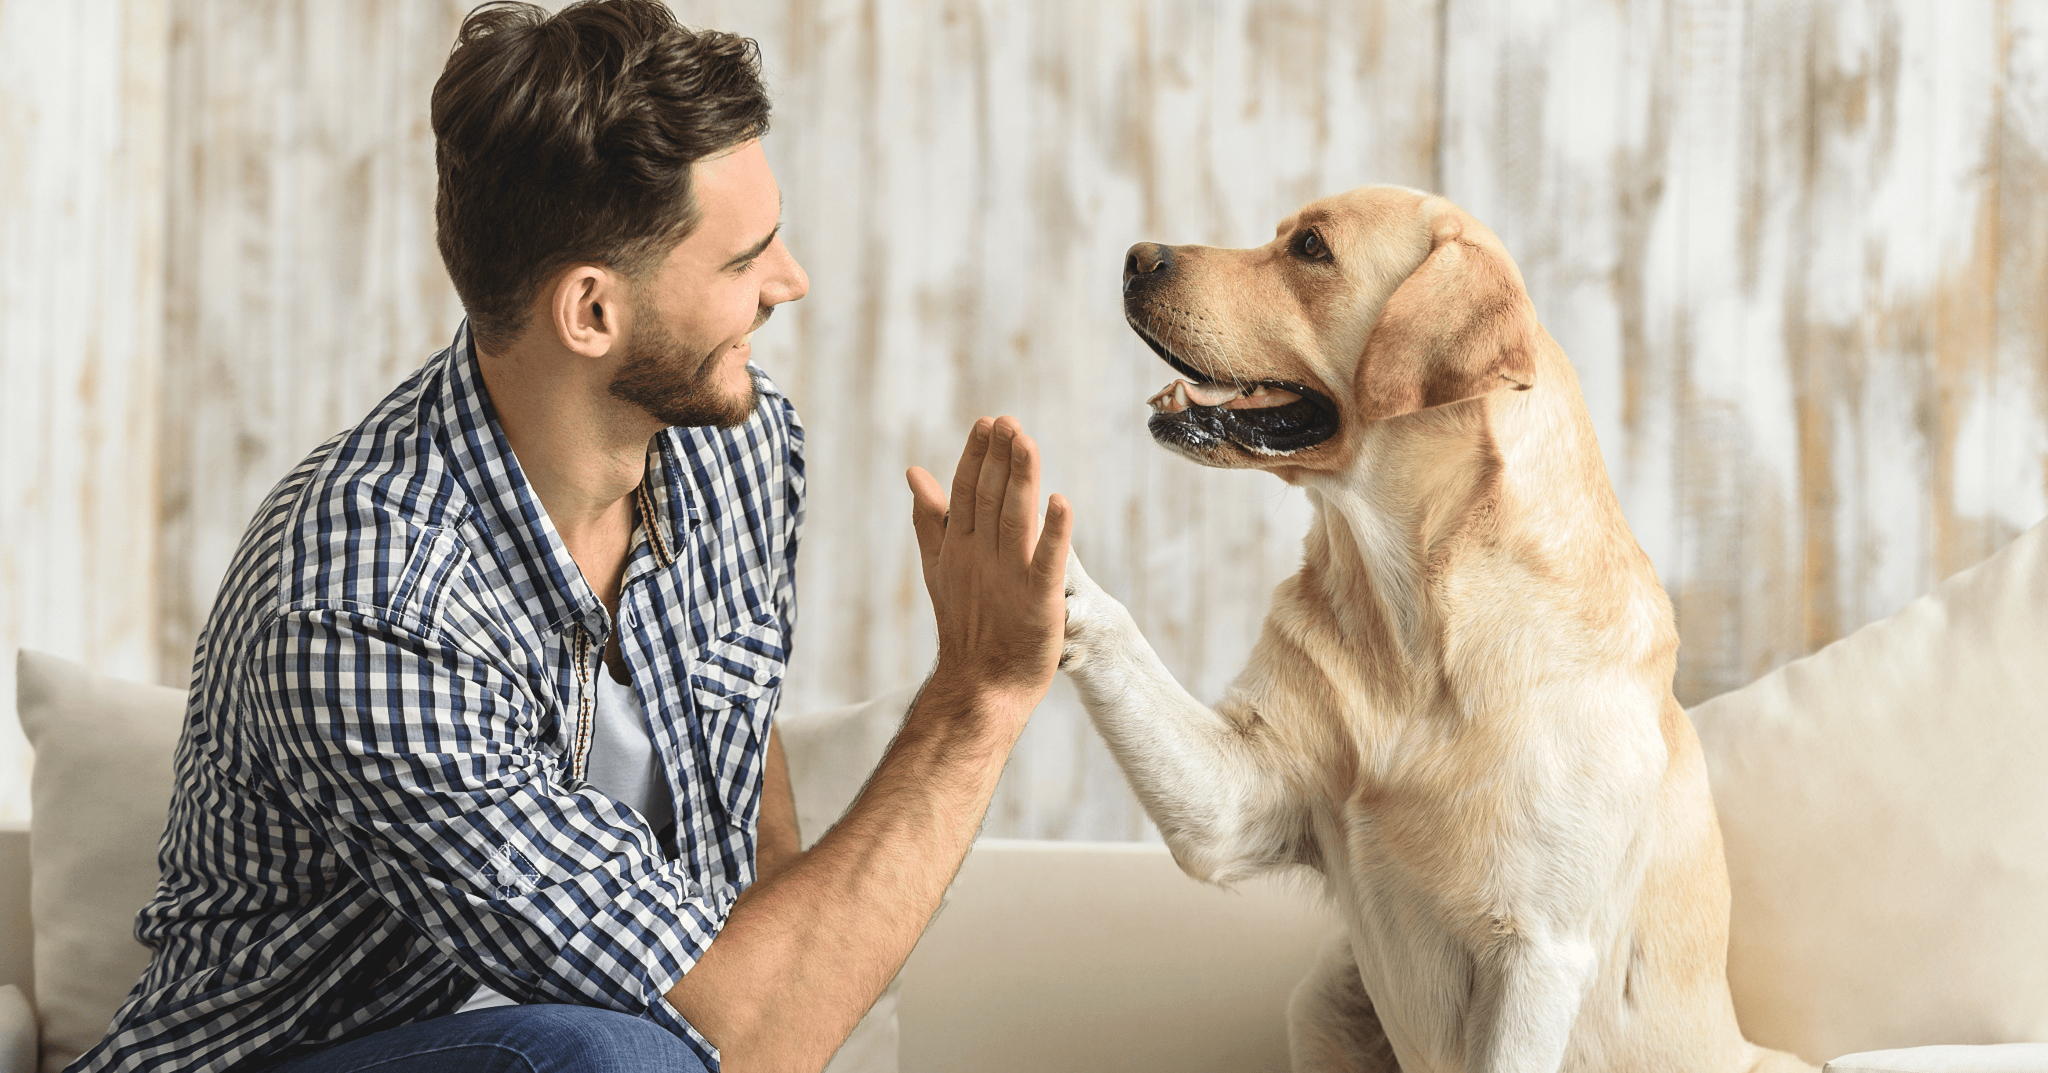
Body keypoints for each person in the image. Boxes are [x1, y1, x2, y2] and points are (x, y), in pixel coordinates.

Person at [71, 3, 1071, 1071]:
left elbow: (751, 857)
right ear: (590, 311)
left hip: (622, 1041)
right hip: (289, 1055)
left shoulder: (736, 447)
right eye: (746, 258)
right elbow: (747, 1022)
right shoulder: (365, 597)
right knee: (610, 1057)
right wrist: (979, 693)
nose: (791, 283)